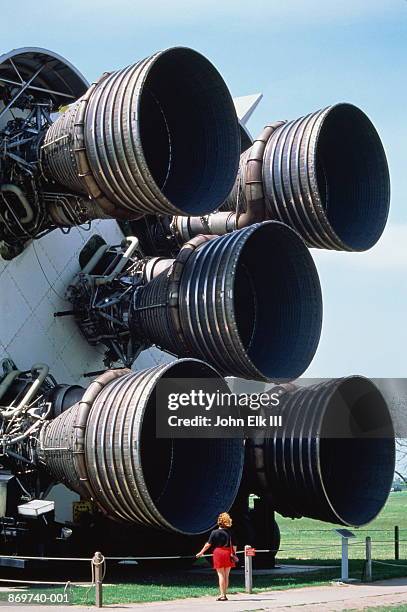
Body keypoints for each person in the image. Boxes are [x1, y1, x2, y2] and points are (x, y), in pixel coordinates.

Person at [196, 512, 238, 601]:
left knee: (220, 575)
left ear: (219, 521)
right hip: (228, 553)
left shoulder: (214, 532)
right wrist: (234, 554)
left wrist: (201, 552)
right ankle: (225, 594)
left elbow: (208, 544)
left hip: (218, 553)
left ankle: (222, 595)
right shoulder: (231, 532)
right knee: (226, 575)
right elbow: (234, 545)